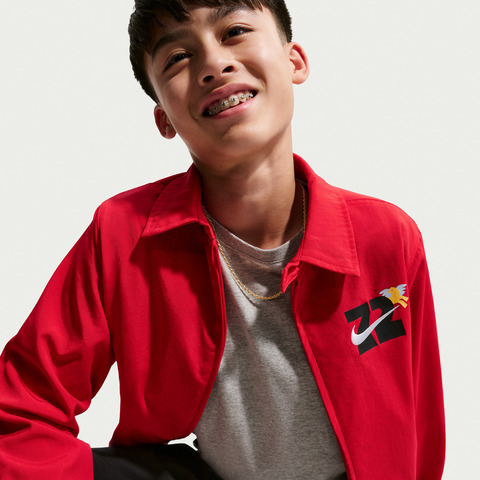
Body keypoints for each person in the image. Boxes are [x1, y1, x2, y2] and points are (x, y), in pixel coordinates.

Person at [0, 0, 445, 479]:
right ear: (164, 119)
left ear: (294, 61)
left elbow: (419, 428)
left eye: (234, 31)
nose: (213, 63)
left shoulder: (386, 236)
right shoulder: (123, 234)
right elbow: (18, 412)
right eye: (178, 58)